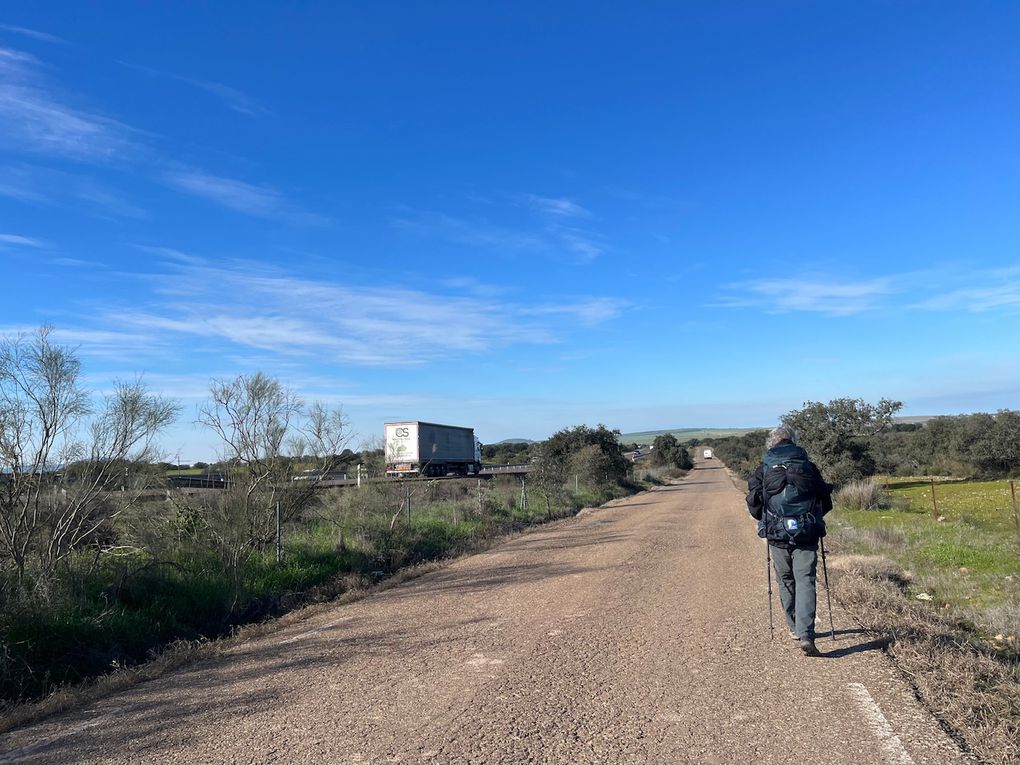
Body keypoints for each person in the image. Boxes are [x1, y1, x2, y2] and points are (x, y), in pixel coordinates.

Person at [746, 425, 833, 656]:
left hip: (776, 533)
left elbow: (754, 503)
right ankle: (807, 634)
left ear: (771, 443)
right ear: (793, 441)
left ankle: (794, 627)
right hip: (806, 532)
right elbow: (826, 498)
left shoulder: (763, 468)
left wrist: (764, 519)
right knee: (806, 580)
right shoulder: (807, 466)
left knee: (785, 579)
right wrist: (812, 519)